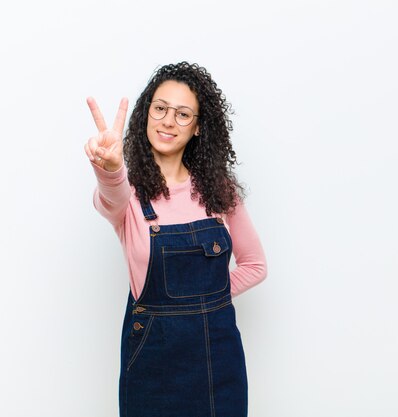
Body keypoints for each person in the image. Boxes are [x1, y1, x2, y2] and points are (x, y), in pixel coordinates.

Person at [84, 62, 267, 417]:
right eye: (160, 108)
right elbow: (110, 194)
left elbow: (256, 266)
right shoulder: (128, 194)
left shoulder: (220, 192)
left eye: (183, 114)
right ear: (146, 114)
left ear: (198, 127)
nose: (168, 121)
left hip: (218, 356)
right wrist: (109, 168)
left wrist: (207, 304)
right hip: (152, 357)